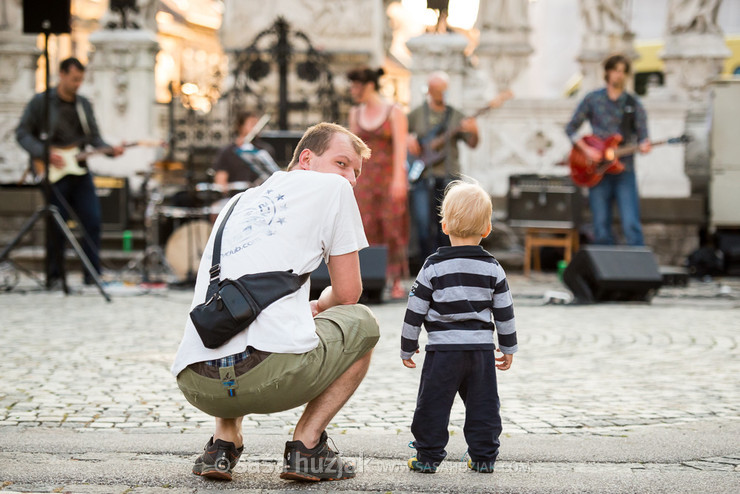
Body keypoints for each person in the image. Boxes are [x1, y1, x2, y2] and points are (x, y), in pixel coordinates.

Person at [171, 122, 380, 482]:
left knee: (236, 308)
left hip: (197, 382)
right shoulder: (332, 189)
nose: (350, 180)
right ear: (306, 159)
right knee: (362, 322)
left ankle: (222, 443)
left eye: (356, 173)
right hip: (268, 375)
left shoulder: (236, 202)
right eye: (343, 164)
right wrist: (319, 304)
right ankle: (307, 446)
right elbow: (348, 294)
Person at [400, 180, 517, 474]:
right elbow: (504, 312)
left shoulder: (433, 267)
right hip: (480, 352)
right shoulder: (493, 268)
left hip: (442, 352)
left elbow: (415, 310)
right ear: (487, 229)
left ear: (445, 226)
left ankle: (427, 456)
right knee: (484, 405)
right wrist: (508, 347)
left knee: (433, 404)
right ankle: (483, 456)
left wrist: (407, 345)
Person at [16, 57, 124, 287]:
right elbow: (22, 133)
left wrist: (110, 150)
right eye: (74, 79)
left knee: (93, 221)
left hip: (79, 170)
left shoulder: (83, 104)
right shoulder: (41, 102)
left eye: (81, 80)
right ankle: (55, 276)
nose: (77, 84)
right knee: (57, 224)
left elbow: (94, 137)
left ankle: (91, 275)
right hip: (54, 172)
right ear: (62, 74)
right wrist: (44, 153)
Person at [565, 54, 651, 246]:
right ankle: (604, 271)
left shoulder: (633, 103)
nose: (618, 75)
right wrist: (586, 150)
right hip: (597, 171)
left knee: (631, 223)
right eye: (615, 70)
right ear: (607, 72)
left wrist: (645, 145)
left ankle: (638, 268)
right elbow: (570, 128)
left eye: (622, 71)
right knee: (600, 225)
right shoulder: (593, 99)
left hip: (624, 170)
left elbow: (643, 135)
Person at [347, 66, 409, 299]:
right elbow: (352, 149)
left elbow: (401, 148)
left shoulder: (394, 111)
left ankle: (395, 280)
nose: (353, 90)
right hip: (365, 179)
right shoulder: (355, 113)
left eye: (356, 86)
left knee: (392, 226)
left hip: (388, 176)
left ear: (369, 86)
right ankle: (368, 278)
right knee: (365, 225)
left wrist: (399, 179)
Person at [407, 71, 479, 262]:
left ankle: (448, 264)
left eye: (444, 90)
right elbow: (399, 132)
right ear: (429, 90)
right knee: (423, 223)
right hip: (423, 176)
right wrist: (408, 139)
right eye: (438, 90)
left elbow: (472, 144)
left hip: (449, 176)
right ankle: (426, 264)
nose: (441, 94)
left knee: (448, 225)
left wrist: (474, 131)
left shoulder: (455, 115)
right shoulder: (417, 114)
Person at [212, 111, 278, 191]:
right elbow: (220, 182)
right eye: (252, 124)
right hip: (235, 197)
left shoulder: (265, 149)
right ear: (240, 126)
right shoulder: (228, 151)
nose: (256, 128)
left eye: (257, 125)